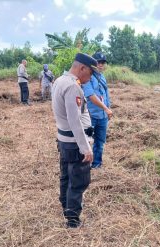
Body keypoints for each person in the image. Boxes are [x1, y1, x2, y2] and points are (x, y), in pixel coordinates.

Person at [51, 53, 98, 228]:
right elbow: (74, 120)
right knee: (78, 180)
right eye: (90, 73)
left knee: (66, 177)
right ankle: (72, 219)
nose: (90, 78)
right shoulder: (72, 87)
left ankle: (67, 207)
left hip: (64, 140)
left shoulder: (59, 81)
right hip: (74, 143)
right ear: (82, 68)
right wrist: (86, 148)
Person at [82, 51, 113, 169]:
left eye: (103, 63)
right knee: (88, 141)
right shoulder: (88, 77)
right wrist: (105, 108)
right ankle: (85, 166)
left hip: (103, 116)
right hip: (91, 116)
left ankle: (97, 165)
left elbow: (105, 94)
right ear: (93, 63)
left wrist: (108, 108)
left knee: (100, 143)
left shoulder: (102, 77)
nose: (100, 65)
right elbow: (90, 95)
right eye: (98, 62)